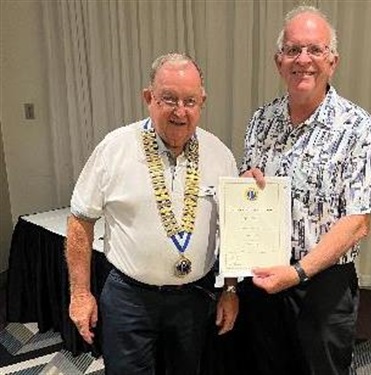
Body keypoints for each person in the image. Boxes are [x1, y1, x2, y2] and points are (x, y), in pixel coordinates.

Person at [66, 53, 239, 375]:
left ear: (202, 101)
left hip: (193, 297)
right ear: (149, 98)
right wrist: (80, 293)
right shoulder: (114, 148)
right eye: (168, 99)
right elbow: (80, 220)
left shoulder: (220, 154)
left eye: (190, 100)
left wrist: (230, 289)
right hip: (129, 298)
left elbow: (231, 229)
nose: (179, 111)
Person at [239, 5, 371, 375]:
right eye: (293, 50)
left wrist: (299, 272)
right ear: (278, 61)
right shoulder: (261, 120)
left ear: (332, 61)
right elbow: (249, 191)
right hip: (264, 278)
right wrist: (245, 187)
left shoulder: (358, 127)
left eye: (315, 50)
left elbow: (358, 222)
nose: (303, 60)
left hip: (324, 286)